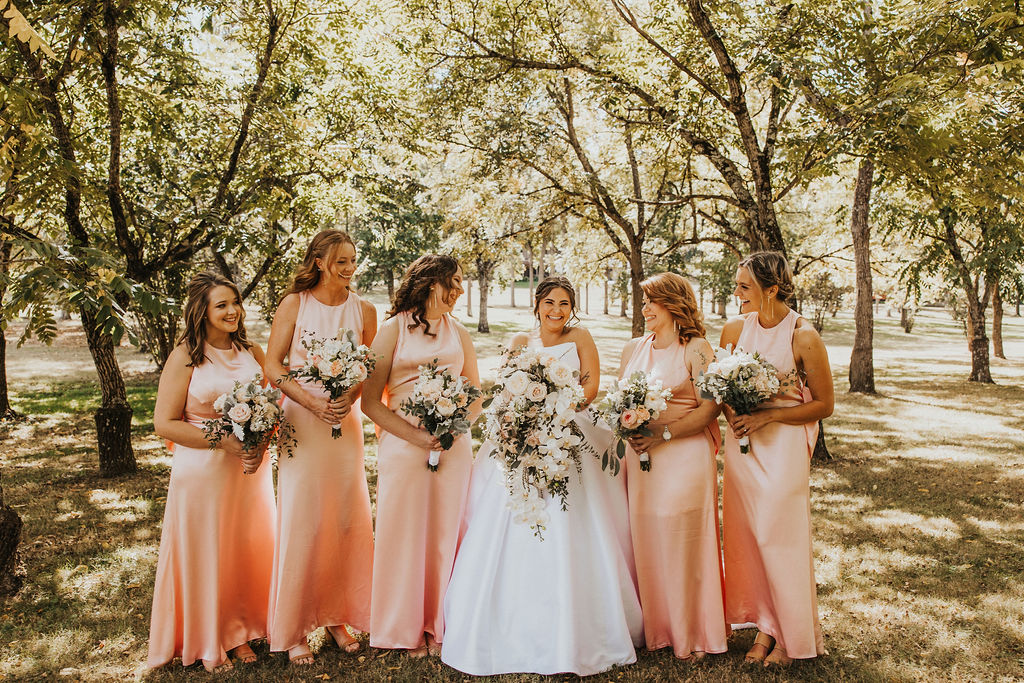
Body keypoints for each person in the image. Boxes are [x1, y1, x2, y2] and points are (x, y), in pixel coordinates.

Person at [440, 276, 643, 676]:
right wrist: (529, 417)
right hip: (525, 433)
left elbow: (591, 387)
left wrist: (558, 409)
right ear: (537, 304)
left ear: (572, 307)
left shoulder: (581, 336)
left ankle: (581, 624)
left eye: (565, 303)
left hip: (570, 431)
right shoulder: (519, 341)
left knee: (573, 522)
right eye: (550, 302)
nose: (557, 310)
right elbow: (507, 391)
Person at [148, 272, 275, 672]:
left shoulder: (253, 351)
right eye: (221, 305)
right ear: (201, 311)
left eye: (235, 302)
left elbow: (271, 406)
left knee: (246, 546)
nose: (232, 311)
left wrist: (260, 444)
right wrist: (223, 441)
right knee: (209, 550)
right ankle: (213, 636)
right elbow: (164, 423)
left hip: (250, 472)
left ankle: (245, 627)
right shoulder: (186, 354)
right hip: (202, 470)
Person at [264, 230, 377, 665]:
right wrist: (310, 400)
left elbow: (365, 367)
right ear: (319, 262)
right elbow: (273, 365)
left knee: (345, 518)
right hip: (302, 420)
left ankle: (338, 617)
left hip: (343, 425)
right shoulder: (296, 304)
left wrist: (348, 397)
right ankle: (292, 627)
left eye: (353, 260)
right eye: (341, 261)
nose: (349, 268)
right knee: (304, 518)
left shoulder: (364, 309)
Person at [361, 254, 481, 657]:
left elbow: (476, 395)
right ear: (432, 283)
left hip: (452, 446)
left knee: (448, 531)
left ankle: (442, 624)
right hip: (402, 444)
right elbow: (370, 403)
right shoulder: (392, 329)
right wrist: (414, 436)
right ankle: (404, 627)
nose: (460, 291)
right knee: (405, 533)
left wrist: (453, 426)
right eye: (455, 283)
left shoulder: (460, 333)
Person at [719, 251, 834, 667]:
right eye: (736, 285)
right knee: (748, 536)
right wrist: (736, 415)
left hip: (783, 445)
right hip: (743, 447)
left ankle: (787, 635)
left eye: (744, 287)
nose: (737, 294)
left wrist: (768, 415)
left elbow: (824, 405)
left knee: (778, 537)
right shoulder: (733, 329)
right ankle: (764, 628)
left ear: (772, 289)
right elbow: (722, 386)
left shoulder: (803, 336)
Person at [618, 272, 729, 661]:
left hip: (683, 455)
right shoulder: (634, 347)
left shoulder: (696, 347)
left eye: (651, 301)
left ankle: (694, 633)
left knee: (684, 541)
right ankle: (658, 629)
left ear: (672, 303)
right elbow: (620, 401)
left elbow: (710, 407)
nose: (644, 308)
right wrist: (628, 426)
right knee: (647, 540)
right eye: (643, 301)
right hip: (641, 460)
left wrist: (662, 433)